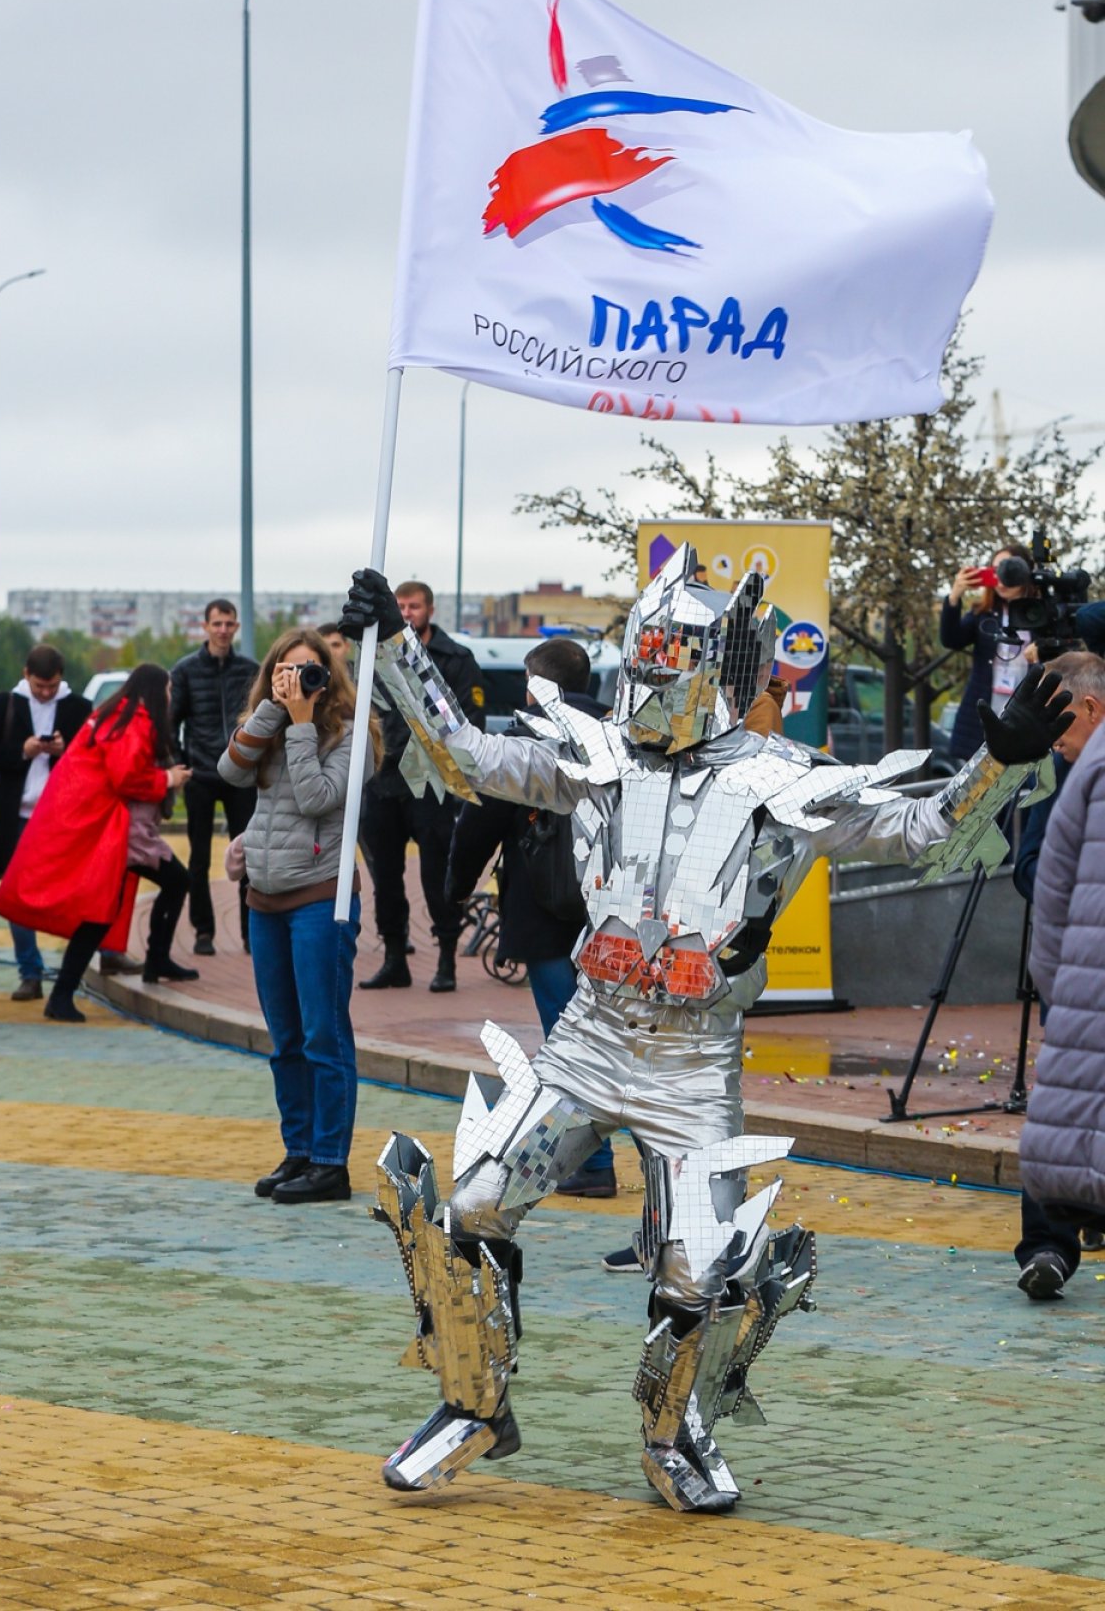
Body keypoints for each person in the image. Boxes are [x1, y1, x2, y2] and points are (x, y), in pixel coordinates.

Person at [343, 545, 1069, 1513]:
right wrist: (396, 647)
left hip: (691, 1064)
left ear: (719, 669)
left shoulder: (781, 778)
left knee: (701, 1266)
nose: (648, 678)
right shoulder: (596, 758)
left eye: (670, 658)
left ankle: (675, 1430)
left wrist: (1002, 756)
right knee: (472, 1204)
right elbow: (471, 756)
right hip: (590, 1040)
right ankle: (473, 1403)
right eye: (640, 657)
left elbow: (925, 828)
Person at [447, 637, 615, 1195]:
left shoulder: (526, 743)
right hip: (607, 911)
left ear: (536, 686)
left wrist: (454, 887)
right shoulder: (617, 738)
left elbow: (481, 821)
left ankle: (593, 1165)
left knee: (565, 1032)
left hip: (543, 911)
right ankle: (624, 1159)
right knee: (615, 1035)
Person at [218, 627, 379, 1205]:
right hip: (265, 899)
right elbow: (230, 772)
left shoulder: (352, 737)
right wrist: (272, 711)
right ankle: (300, 1151)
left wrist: (304, 722)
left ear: (330, 676)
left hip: (321, 898)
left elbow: (315, 799)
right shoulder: (271, 719)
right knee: (285, 1040)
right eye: (288, 670)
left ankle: (331, 1162)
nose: (300, 681)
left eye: (311, 670)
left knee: (322, 1035)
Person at [0, 664, 194, 1022]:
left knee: (103, 913)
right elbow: (126, 778)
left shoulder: (113, 715)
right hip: (121, 831)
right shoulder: (135, 722)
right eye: (167, 690)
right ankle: (75, 990)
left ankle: (69, 991)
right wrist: (168, 778)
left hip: (110, 827)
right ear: (154, 690)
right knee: (154, 892)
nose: (169, 697)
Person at [1011, 650, 1105, 1299]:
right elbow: (1039, 870)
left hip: (1078, 987)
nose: (1056, 739)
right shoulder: (1068, 769)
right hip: (1079, 989)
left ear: (1092, 707)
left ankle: (1053, 1237)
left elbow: (1048, 889)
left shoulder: (1084, 771)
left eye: (1061, 722)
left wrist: (1059, 984)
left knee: (1066, 1110)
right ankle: (1049, 1243)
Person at [359, 579, 486, 994]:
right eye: (401, 606)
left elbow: (472, 724)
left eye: (414, 606)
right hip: (382, 781)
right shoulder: (373, 656)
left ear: (429, 610)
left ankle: (446, 958)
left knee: (437, 876)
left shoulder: (455, 658)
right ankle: (396, 958)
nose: (407, 613)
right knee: (385, 878)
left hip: (431, 784)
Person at [0, 644, 92, 1001]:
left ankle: (80, 966)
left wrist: (63, 750)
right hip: (15, 815)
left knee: (77, 889)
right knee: (18, 895)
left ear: (61, 679)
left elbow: (92, 757)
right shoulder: (4, 703)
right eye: (39, 686)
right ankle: (30, 972)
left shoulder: (79, 707)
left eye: (52, 686)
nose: (45, 693)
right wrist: (21, 752)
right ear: (26, 675)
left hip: (62, 816)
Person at [170, 600, 259, 957]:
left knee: (248, 855)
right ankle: (203, 932)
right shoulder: (186, 671)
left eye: (229, 624)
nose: (223, 630)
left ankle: (251, 932)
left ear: (236, 627)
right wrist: (180, 764)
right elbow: (170, 722)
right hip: (201, 774)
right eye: (217, 624)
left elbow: (261, 717)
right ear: (205, 627)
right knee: (200, 858)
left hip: (240, 774)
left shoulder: (250, 670)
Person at [941, 546, 1042, 763]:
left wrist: (1042, 654)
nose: (1002, 579)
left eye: (1009, 570)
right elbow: (951, 639)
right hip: (984, 717)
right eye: (996, 570)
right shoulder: (984, 613)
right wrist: (955, 595)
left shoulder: (1042, 615)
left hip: (1023, 717)